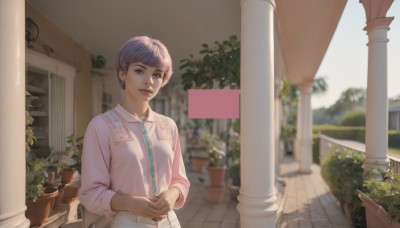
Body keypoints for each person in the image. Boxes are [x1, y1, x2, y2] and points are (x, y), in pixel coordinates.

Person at [79, 36, 190, 228]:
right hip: (129, 222)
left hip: (170, 222)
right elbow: (91, 193)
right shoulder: (101, 126)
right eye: (139, 71)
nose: (149, 81)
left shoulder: (168, 125)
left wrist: (173, 194)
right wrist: (129, 203)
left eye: (157, 74)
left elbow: (180, 180)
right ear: (122, 74)